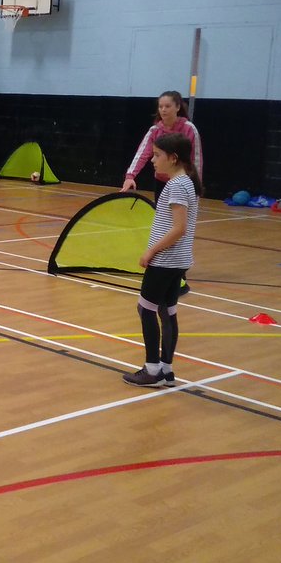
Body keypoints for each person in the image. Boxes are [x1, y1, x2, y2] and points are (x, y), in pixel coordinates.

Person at [122, 133, 200, 388]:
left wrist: (151, 252)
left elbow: (179, 228)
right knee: (167, 311)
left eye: (157, 155)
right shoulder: (186, 182)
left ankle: (152, 369)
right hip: (177, 261)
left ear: (173, 158)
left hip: (166, 260)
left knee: (146, 309)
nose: (153, 160)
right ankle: (166, 369)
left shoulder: (178, 185)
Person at [120, 91, 203, 202]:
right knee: (161, 216)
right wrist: (130, 176)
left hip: (183, 182)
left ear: (178, 107)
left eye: (167, 106)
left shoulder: (189, 129)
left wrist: (196, 185)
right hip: (161, 182)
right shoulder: (154, 130)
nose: (163, 109)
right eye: (160, 106)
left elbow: (196, 159)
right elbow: (142, 154)